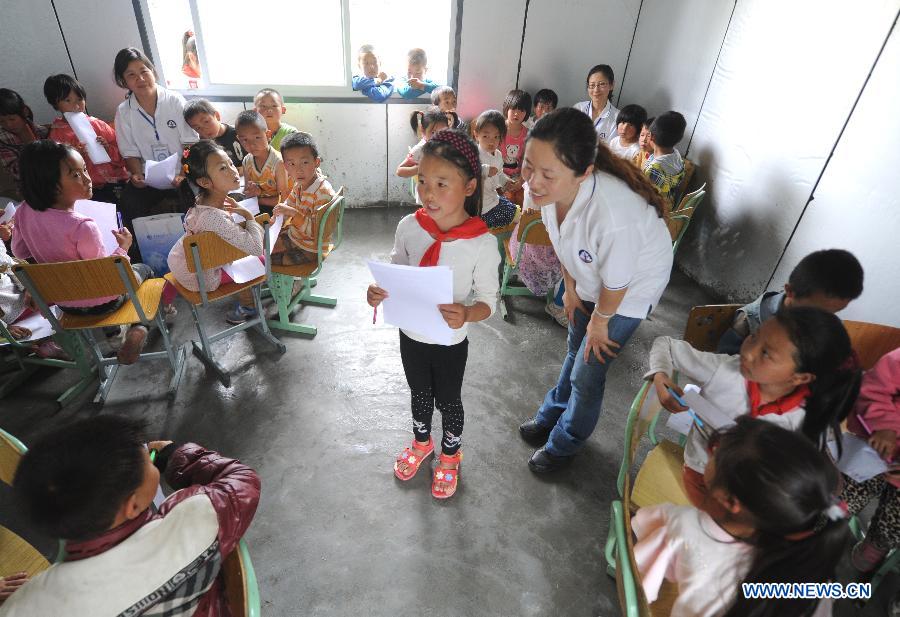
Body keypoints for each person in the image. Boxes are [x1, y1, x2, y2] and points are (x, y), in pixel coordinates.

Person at [517, 108, 673, 472]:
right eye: (528, 166)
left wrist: (600, 322)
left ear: (584, 173)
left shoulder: (614, 215)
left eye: (546, 174)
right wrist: (570, 290)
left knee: (588, 371)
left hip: (629, 291)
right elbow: (563, 245)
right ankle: (552, 412)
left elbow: (617, 283)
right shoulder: (547, 192)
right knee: (575, 348)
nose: (533, 181)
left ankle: (566, 442)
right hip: (592, 278)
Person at [1, 415, 260, 616]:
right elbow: (242, 482)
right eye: (146, 461)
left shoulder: (21, 608)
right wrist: (173, 455)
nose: (150, 458)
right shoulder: (192, 521)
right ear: (132, 505)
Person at [367, 129, 499, 499]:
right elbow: (398, 272)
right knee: (419, 393)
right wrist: (379, 291)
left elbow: (490, 300)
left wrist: (468, 313)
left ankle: (451, 454)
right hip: (411, 335)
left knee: (449, 400)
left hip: (449, 342)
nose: (428, 193)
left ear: (470, 187)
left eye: (442, 183)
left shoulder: (481, 244)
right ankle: (422, 442)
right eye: (423, 181)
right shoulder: (409, 227)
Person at [648, 306, 862, 514]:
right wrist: (660, 375)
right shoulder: (725, 370)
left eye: (766, 353)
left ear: (800, 378)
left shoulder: (807, 415)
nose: (748, 353)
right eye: (753, 337)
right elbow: (665, 344)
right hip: (702, 475)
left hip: (754, 492)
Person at [633, 417, 847, 617]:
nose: (711, 453)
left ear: (730, 500)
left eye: (715, 452)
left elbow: (640, 567)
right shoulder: (813, 578)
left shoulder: (682, 524)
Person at [12, 140, 155, 364]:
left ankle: (114, 334)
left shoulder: (22, 211)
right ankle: (139, 328)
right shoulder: (83, 226)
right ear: (50, 184)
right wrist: (124, 247)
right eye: (75, 175)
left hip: (66, 305)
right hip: (105, 302)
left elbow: (19, 249)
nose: (88, 179)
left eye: (84, 169)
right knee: (145, 270)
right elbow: (107, 276)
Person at [165, 141, 264, 325]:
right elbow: (256, 248)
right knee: (265, 257)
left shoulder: (201, 199)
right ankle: (250, 305)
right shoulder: (214, 217)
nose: (233, 171)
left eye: (231, 163)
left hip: (181, 263)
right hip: (200, 279)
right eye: (222, 168)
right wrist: (249, 216)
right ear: (204, 182)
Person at [112, 47, 198, 259]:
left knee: (193, 199)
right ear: (124, 81)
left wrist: (184, 173)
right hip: (149, 179)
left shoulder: (174, 100)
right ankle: (139, 259)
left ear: (153, 71)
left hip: (182, 173)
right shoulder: (124, 111)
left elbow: (190, 143)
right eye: (131, 75)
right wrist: (137, 175)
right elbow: (129, 152)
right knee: (128, 202)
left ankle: (195, 253)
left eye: (144, 71)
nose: (140, 78)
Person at [717, 248, 864, 355]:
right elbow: (723, 368)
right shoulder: (748, 323)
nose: (824, 319)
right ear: (790, 291)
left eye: (835, 312)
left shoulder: (831, 325)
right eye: (814, 311)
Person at [843, 346, 900, 573]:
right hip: (874, 446)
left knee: (893, 521)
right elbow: (873, 387)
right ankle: (819, 530)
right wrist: (884, 425)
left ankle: (877, 543)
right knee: (841, 495)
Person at [43, 73, 129, 204]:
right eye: (68, 100)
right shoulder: (56, 135)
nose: (76, 105)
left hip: (115, 184)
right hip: (85, 190)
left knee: (125, 211)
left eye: (79, 99)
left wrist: (107, 148)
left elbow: (123, 156)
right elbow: (57, 170)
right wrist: (75, 157)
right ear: (56, 104)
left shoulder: (98, 125)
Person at [271, 131, 336, 266]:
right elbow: (290, 202)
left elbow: (315, 233)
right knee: (268, 246)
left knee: (275, 261)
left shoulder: (323, 193)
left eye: (305, 162)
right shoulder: (300, 184)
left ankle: (295, 283)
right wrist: (279, 215)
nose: (299, 170)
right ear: (285, 166)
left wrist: (293, 213)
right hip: (297, 236)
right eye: (292, 164)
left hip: (312, 247)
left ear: (316, 162)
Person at [236, 110, 288, 214]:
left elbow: (283, 200)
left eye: (257, 137)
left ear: (268, 135)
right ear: (238, 139)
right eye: (245, 140)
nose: (251, 144)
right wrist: (252, 192)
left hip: (282, 210)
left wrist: (257, 199)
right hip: (260, 206)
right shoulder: (247, 161)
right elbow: (247, 190)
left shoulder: (279, 163)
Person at [472, 109, 516, 228]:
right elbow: (467, 172)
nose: (491, 141)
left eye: (496, 137)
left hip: (493, 198)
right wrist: (485, 170)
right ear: (476, 135)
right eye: (486, 136)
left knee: (513, 210)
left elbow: (500, 174)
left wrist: (505, 182)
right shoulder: (473, 153)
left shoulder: (498, 154)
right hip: (478, 206)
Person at [0, 89, 49, 189]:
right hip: (30, 191)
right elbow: (20, 173)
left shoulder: (42, 131)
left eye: (12, 119)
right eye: (1, 121)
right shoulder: (3, 143)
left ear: (24, 111)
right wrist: (31, 146)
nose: (8, 125)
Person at [396, 106, 451, 188]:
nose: (438, 137)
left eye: (443, 132)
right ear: (423, 130)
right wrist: (420, 168)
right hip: (425, 194)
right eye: (433, 132)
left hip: (443, 192)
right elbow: (400, 171)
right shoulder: (420, 149)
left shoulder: (448, 145)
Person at [642, 111, 686, 211]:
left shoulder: (654, 170)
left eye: (647, 135)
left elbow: (643, 198)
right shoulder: (676, 155)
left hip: (653, 212)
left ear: (652, 137)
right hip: (668, 204)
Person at [183, 98, 244, 170]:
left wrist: (244, 169)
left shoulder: (240, 133)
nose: (204, 129)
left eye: (206, 122)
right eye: (197, 128)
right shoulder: (202, 146)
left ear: (217, 116)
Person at [500, 89, 532, 206]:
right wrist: (502, 180)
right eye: (513, 109)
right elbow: (490, 156)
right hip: (498, 174)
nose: (516, 114)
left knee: (522, 200)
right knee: (506, 200)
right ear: (506, 108)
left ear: (527, 113)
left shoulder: (528, 134)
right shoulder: (498, 129)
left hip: (518, 176)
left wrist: (520, 181)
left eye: (521, 110)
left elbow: (527, 161)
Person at [574, 64, 619, 142]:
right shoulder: (578, 108)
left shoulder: (617, 117)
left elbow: (612, 149)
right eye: (592, 85)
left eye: (601, 84)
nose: (596, 90)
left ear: (611, 85)